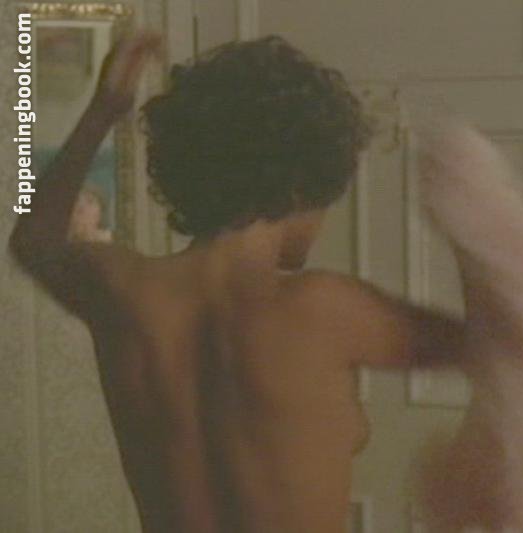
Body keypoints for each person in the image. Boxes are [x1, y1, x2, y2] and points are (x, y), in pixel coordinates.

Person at [9, 34, 468, 533]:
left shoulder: (127, 292)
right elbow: (502, 345)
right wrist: (474, 221)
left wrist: (103, 111)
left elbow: (34, 240)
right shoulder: (322, 310)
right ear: (303, 181)